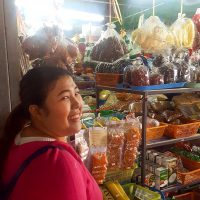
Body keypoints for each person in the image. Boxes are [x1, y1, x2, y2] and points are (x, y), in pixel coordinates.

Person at [0, 66, 102, 200]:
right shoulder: (59, 162)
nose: (77, 103)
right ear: (37, 111)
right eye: (65, 97)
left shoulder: (22, 136)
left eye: (76, 93)